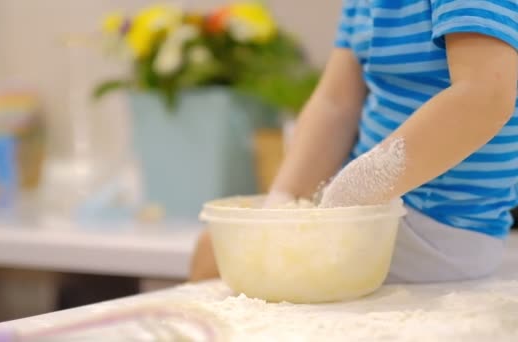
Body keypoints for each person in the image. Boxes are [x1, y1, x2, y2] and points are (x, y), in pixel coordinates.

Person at [190, 0, 518, 283]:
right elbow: (335, 106)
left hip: (441, 230)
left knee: (220, 256)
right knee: (217, 250)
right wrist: (281, 203)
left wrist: (341, 206)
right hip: (375, 213)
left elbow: (484, 95)